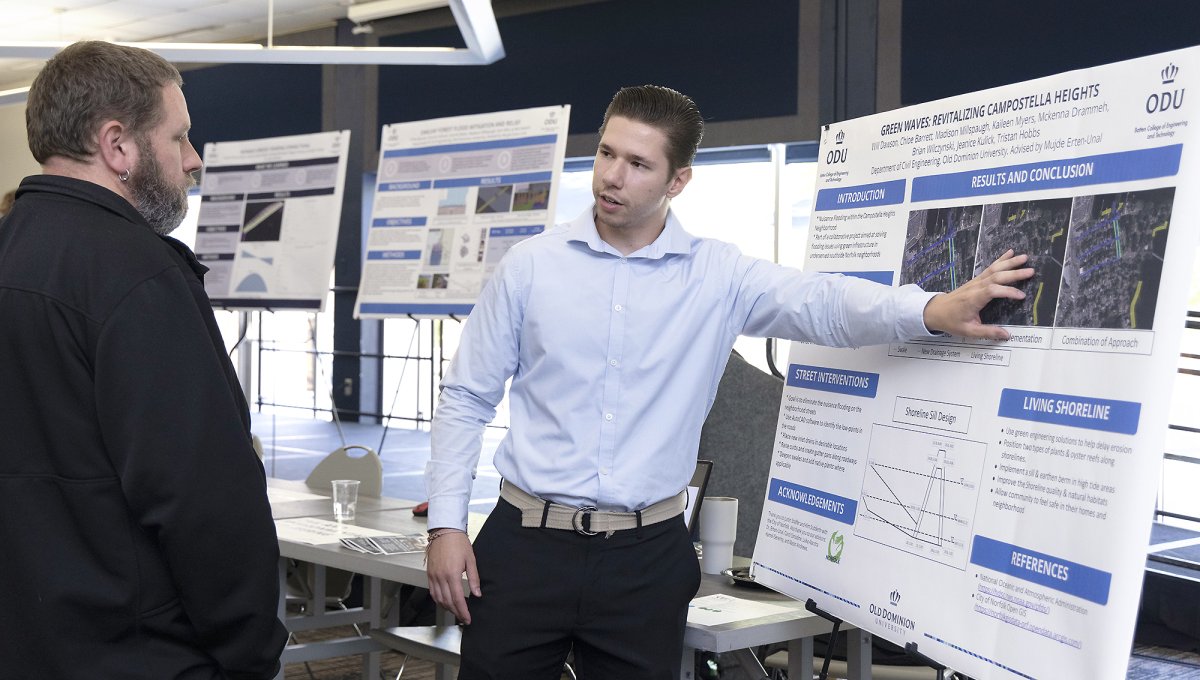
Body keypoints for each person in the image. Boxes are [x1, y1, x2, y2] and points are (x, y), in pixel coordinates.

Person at [425, 84, 1033, 680]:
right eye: (607, 153)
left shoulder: (718, 275)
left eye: (638, 164)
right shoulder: (531, 266)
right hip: (525, 546)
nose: (611, 176)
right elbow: (466, 398)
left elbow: (823, 303)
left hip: (646, 558)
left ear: (678, 180)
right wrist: (446, 526)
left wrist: (932, 310)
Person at [0, 41, 287, 679]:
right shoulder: (137, 276)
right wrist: (251, 655)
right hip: (138, 652)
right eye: (178, 137)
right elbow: (201, 497)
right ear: (117, 145)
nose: (194, 159)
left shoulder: (11, 251)